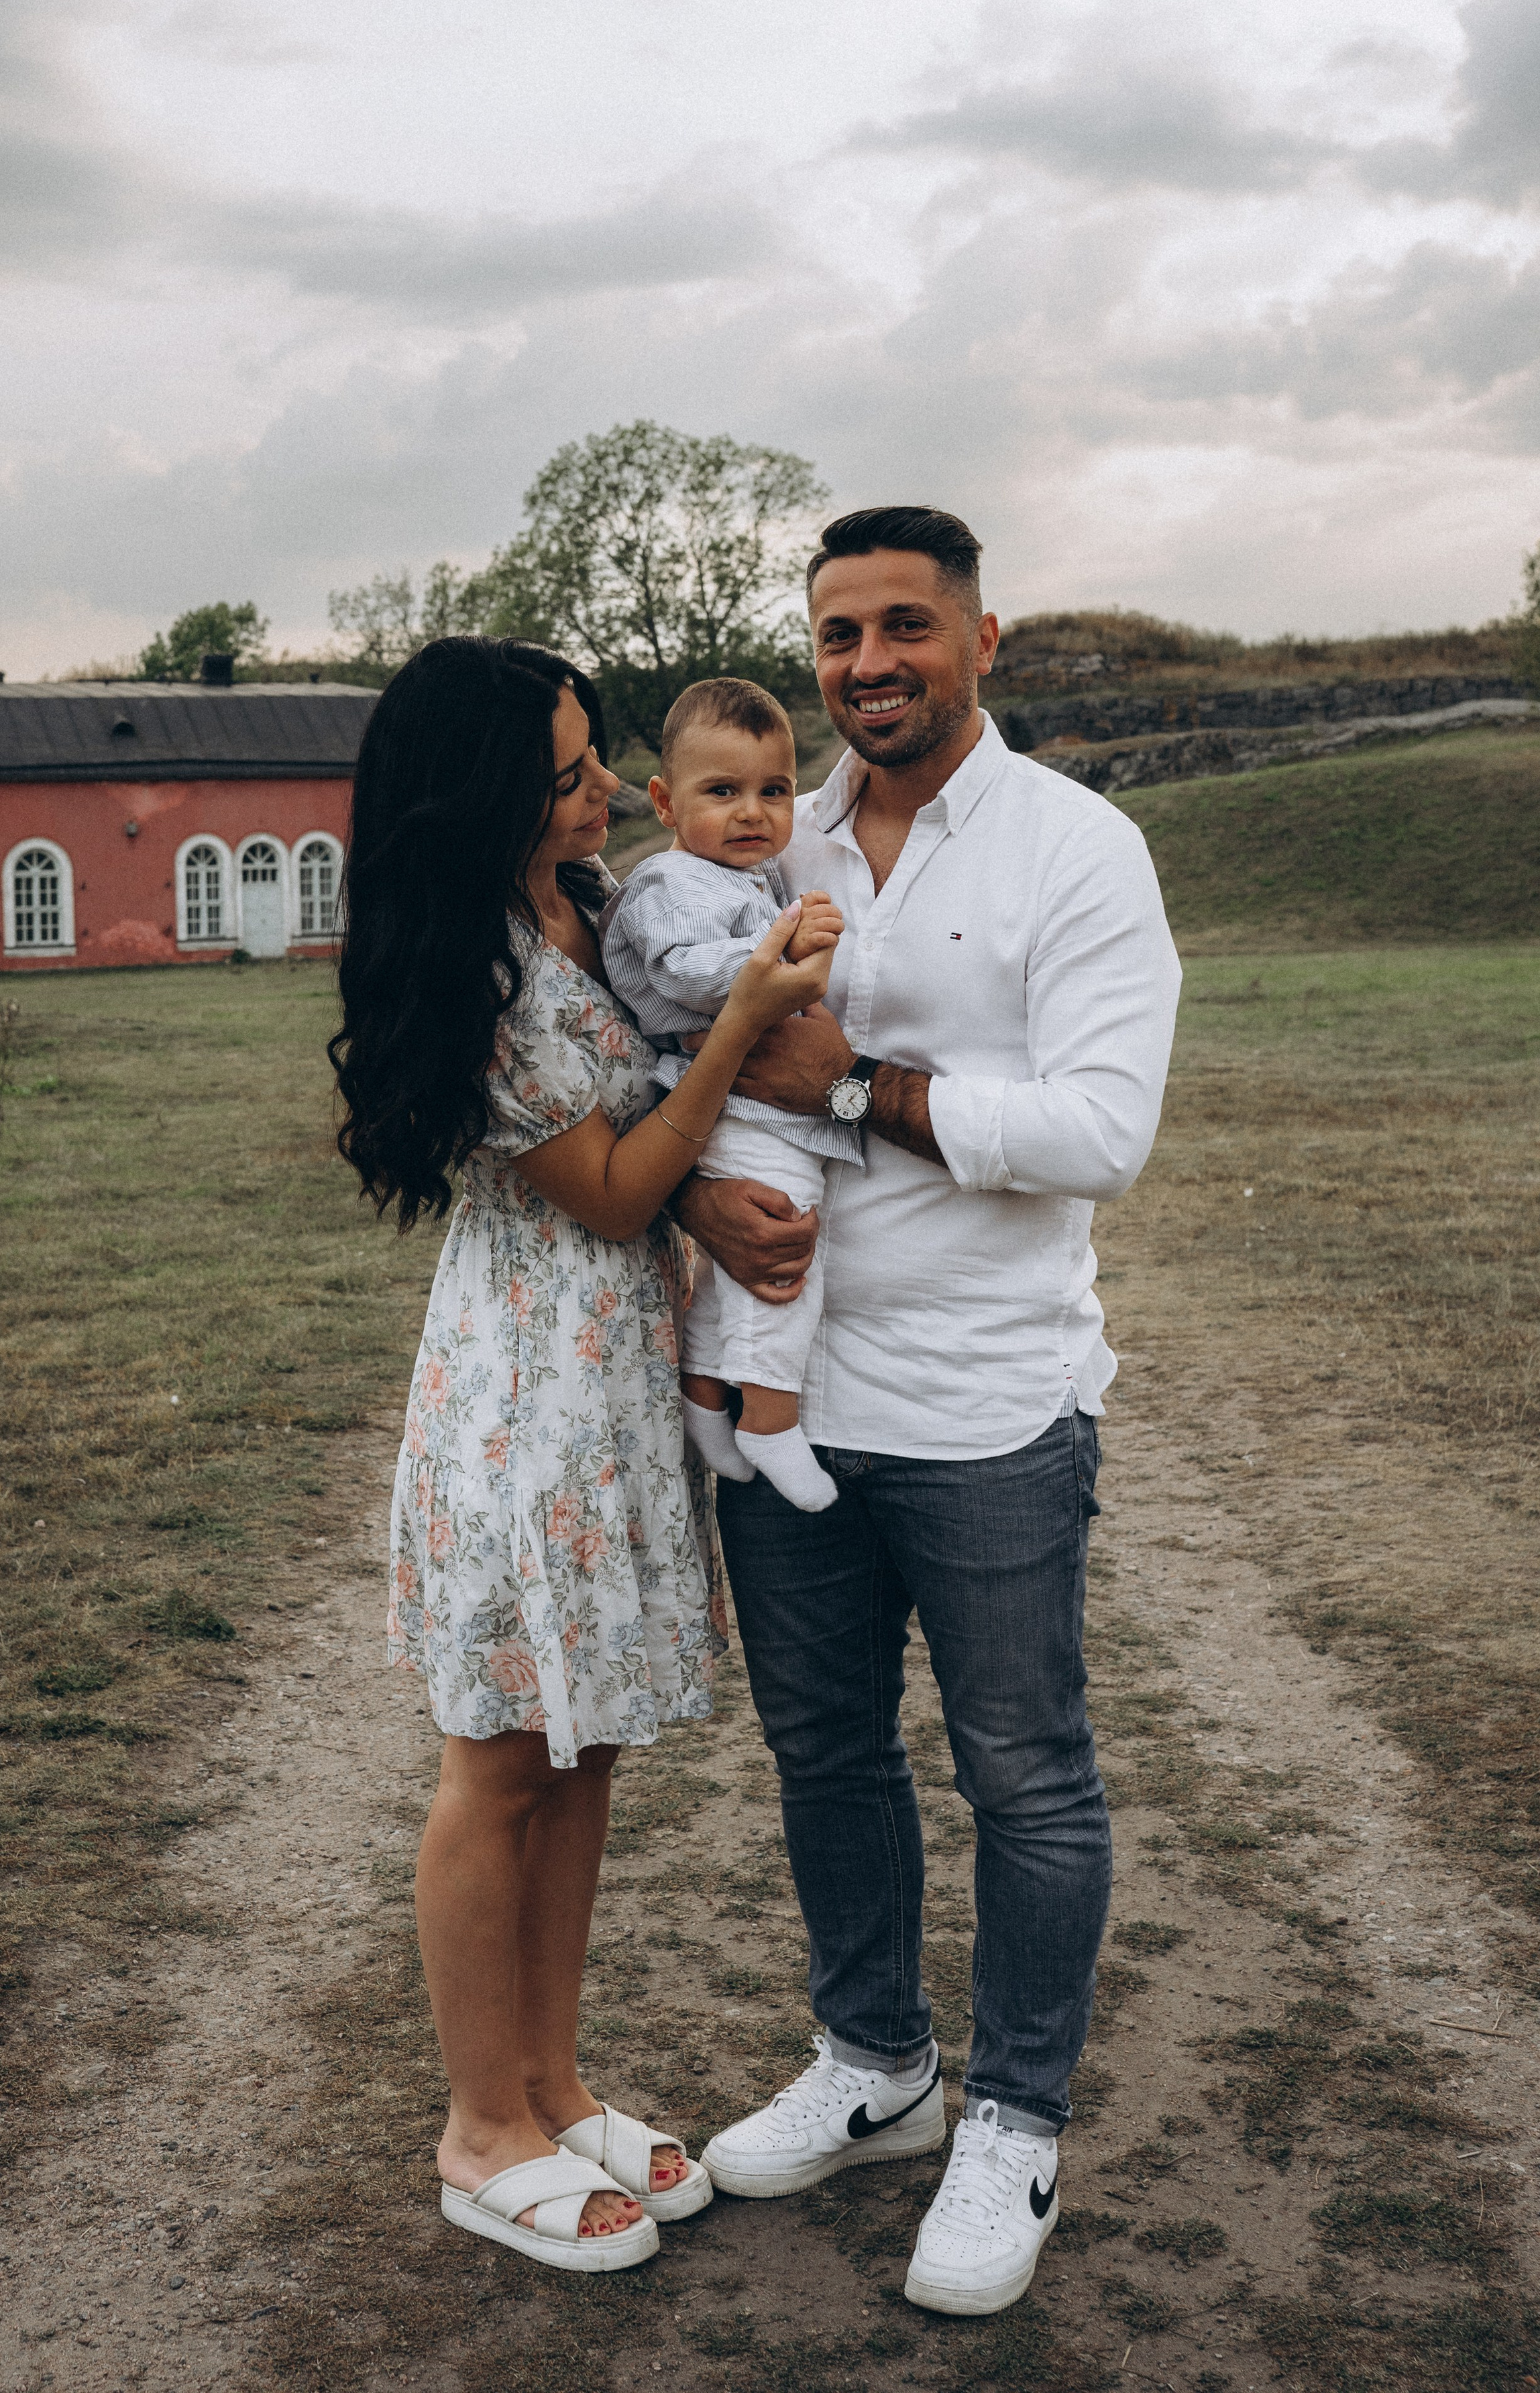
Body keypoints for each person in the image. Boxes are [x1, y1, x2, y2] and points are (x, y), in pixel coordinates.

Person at [682, 508, 1182, 2316]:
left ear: (986, 637)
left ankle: (1017, 2116)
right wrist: (683, 1191)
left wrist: (862, 1085)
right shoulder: (762, 828)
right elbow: (675, 1056)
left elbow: (1102, 1130)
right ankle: (877, 2064)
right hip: (784, 1387)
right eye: (838, 634)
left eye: (906, 626)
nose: (867, 664)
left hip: (985, 1404)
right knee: (825, 1754)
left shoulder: (1080, 849)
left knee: (1023, 1770)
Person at [328, 637, 838, 2274]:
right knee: (500, 1758)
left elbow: (646, 1168)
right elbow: (612, 1185)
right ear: (475, 801)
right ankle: (481, 2124)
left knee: (582, 1746)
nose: (604, 789)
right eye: (561, 775)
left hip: (611, 1386)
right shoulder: (477, 967)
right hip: (522, 1396)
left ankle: (550, 2082)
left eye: (594, 757)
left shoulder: (582, 898)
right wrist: (739, 1024)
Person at [600, 677, 852, 1514]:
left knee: (742, 1258)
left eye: (773, 791)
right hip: (735, 1096)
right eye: (723, 792)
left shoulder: (750, 875)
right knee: (786, 1244)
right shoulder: (671, 885)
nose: (753, 812)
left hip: (751, 1094)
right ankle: (771, 1418)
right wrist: (775, 958)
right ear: (667, 803)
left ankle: (707, 1396)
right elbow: (682, 969)